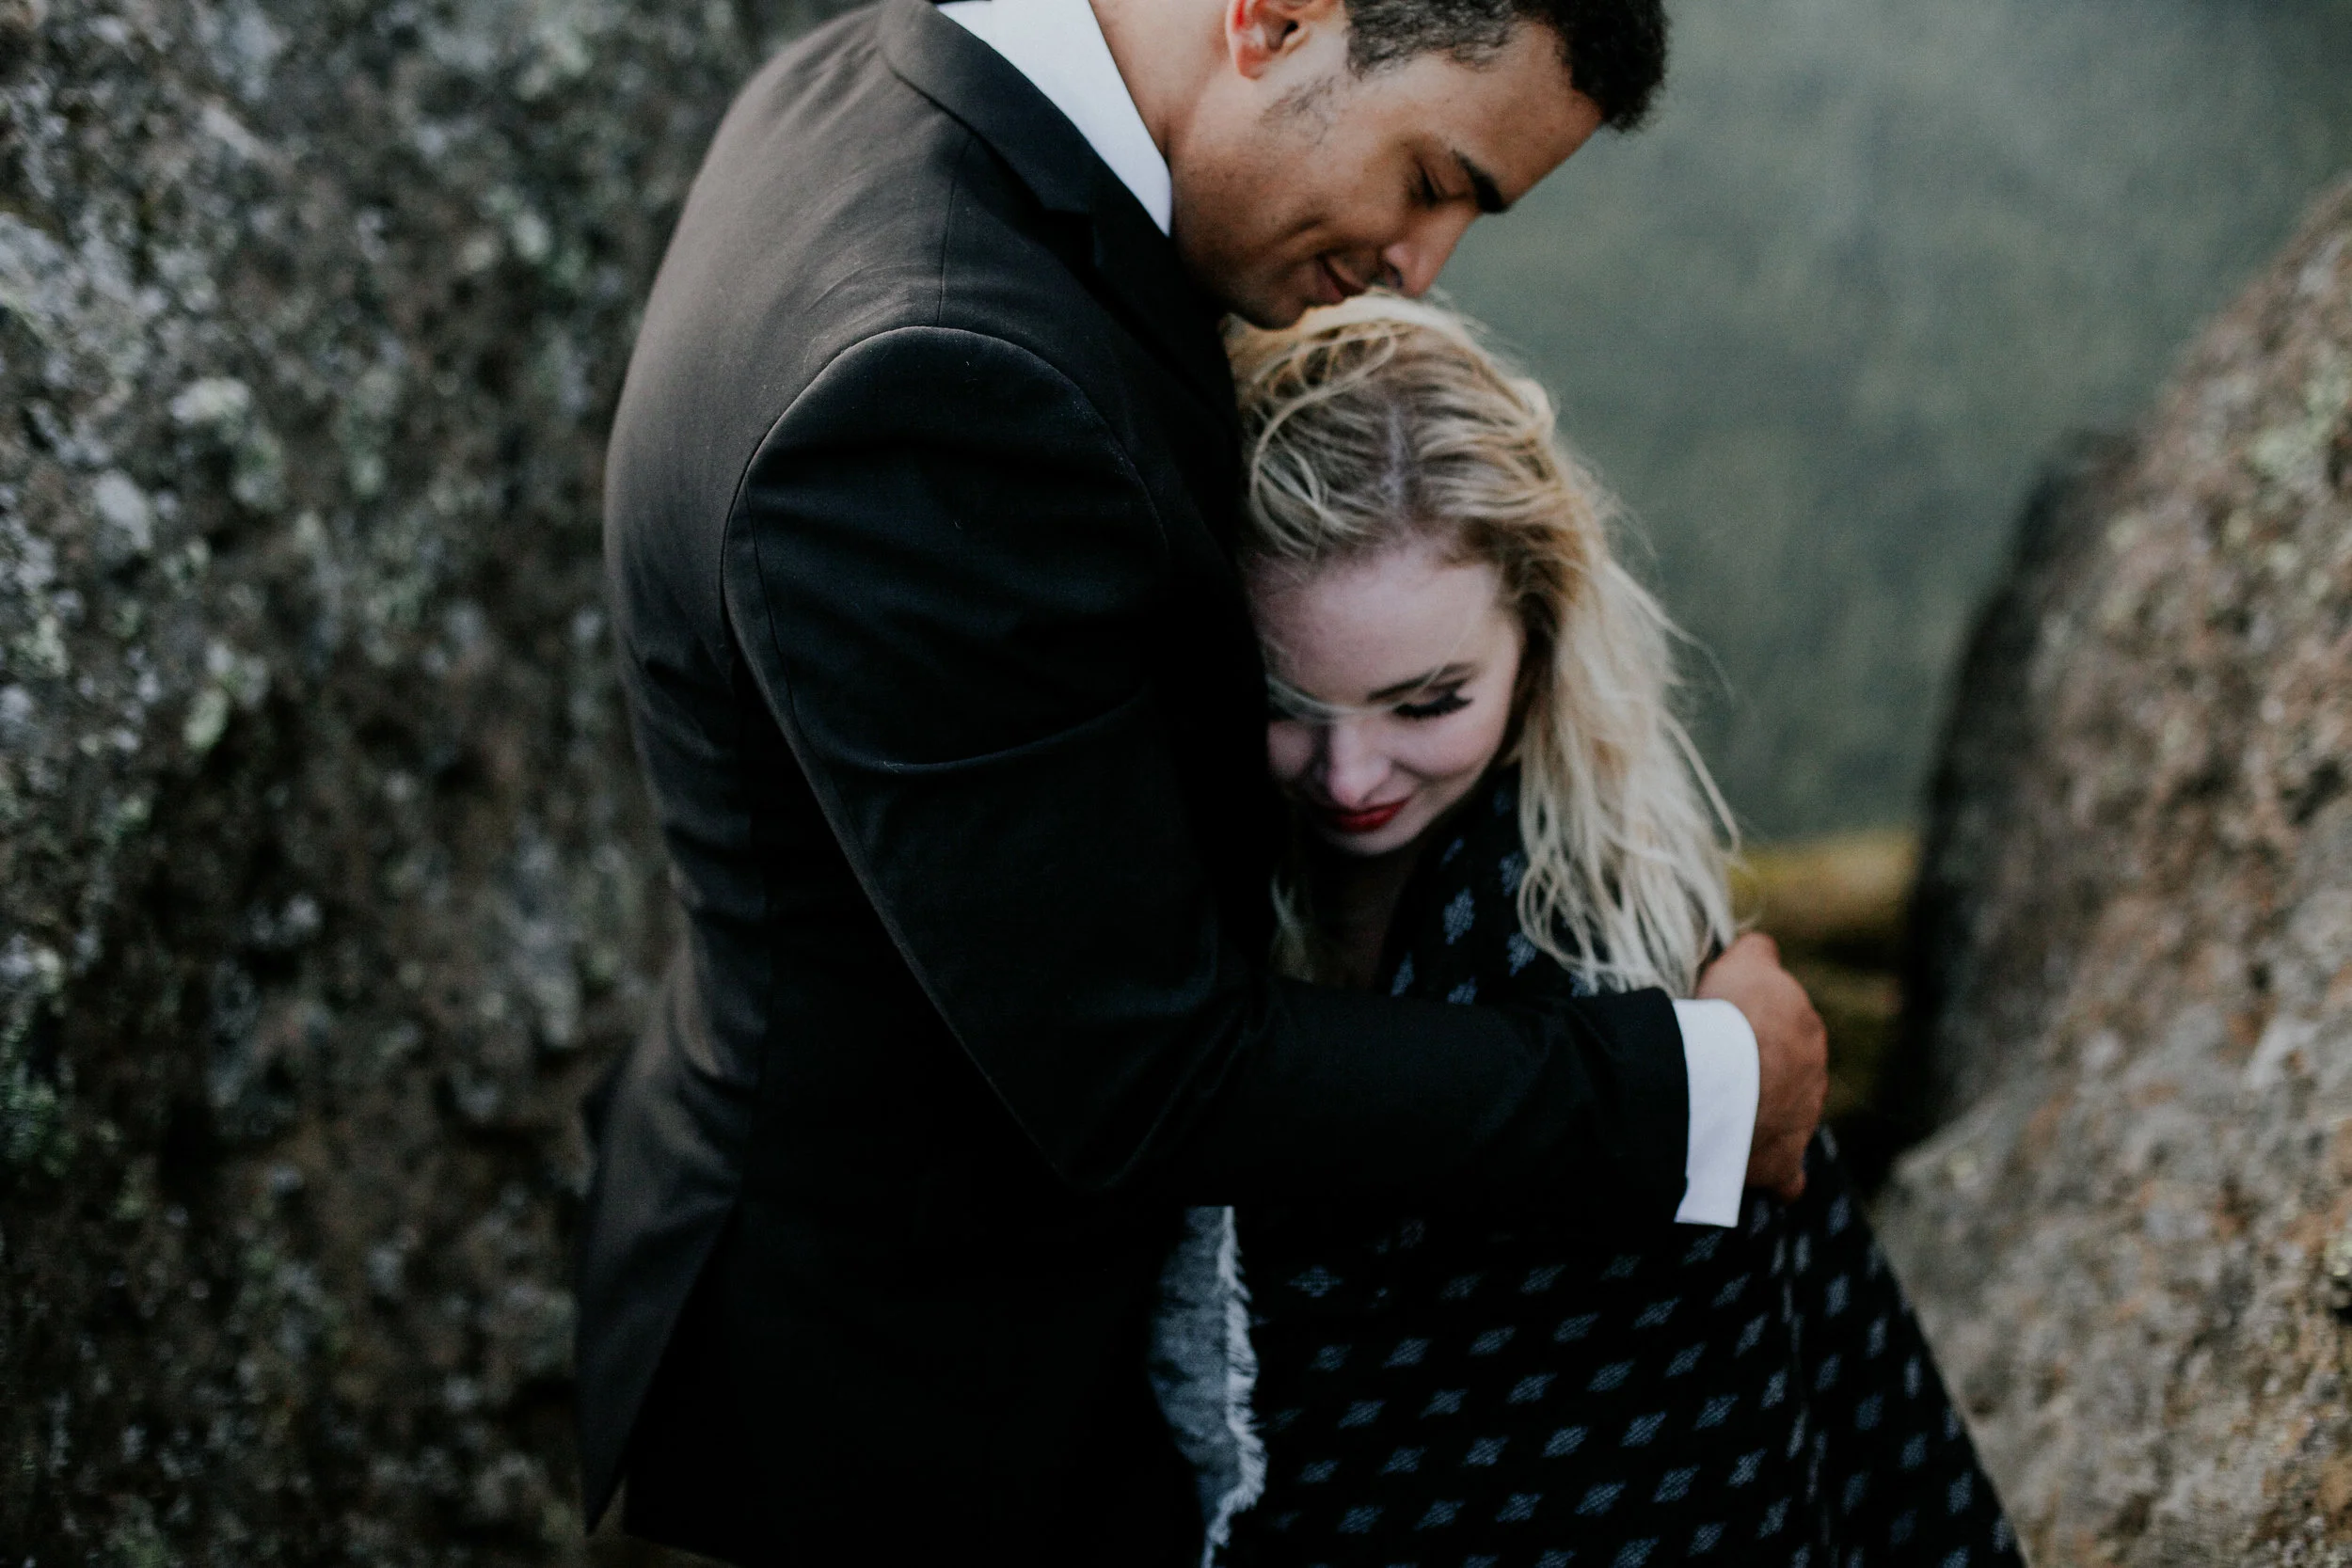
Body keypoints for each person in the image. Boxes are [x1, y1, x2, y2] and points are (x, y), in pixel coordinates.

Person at [574, 0, 1830, 1560]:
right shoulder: (936, 381)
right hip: (911, 1412)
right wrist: (1696, 1093)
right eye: (1433, 176)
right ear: (1277, 16)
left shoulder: (875, 82)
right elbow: (1143, 1070)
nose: (1423, 267)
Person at [1163, 294, 2019, 1564]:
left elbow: (1701, 1456)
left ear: (1539, 638)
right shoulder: (1156, 898)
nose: (1352, 778)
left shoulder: (1624, 949)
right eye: (1288, 704)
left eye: (1430, 700)